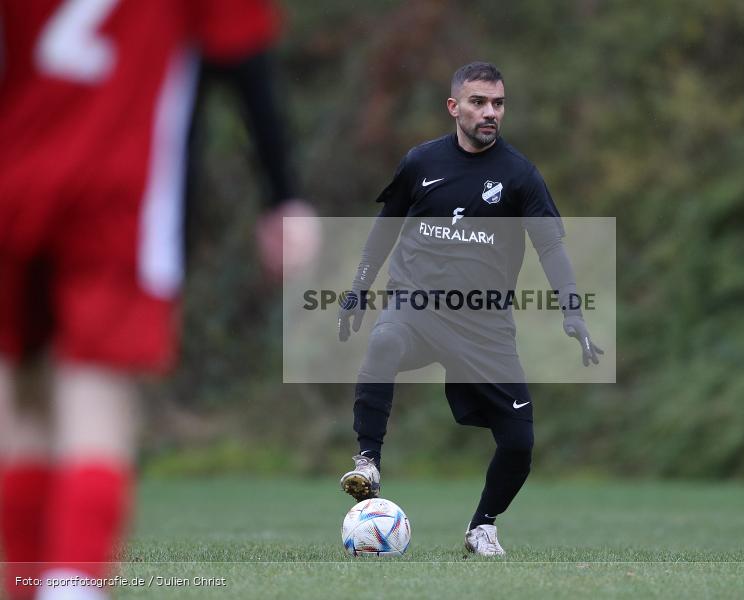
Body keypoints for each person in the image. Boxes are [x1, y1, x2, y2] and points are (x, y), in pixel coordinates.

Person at [0, 1, 318, 599]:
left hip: (11, 185)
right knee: (93, 398)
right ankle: (72, 588)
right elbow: (243, 56)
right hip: (118, 198)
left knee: (22, 403)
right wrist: (282, 192)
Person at [336, 62, 601, 556]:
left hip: (485, 324)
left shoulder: (519, 176)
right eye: (479, 102)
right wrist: (359, 287)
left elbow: (551, 248)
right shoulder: (420, 163)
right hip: (417, 305)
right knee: (384, 339)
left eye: (498, 103)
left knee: (519, 443)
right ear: (454, 107)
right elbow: (384, 229)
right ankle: (368, 460)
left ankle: (482, 526)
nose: (490, 113)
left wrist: (573, 311)